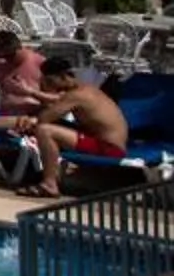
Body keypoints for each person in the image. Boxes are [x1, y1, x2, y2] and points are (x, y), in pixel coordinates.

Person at [12, 59, 131, 198]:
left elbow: (44, 119)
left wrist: (30, 119)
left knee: (45, 130)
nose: (49, 86)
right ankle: (49, 174)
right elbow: (53, 108)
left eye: (50, 82)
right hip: (103, 141)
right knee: (48, 126)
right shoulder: (86, 90)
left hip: (109, 149)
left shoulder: (77, 96)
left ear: (63, 77)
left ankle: (49, 184)